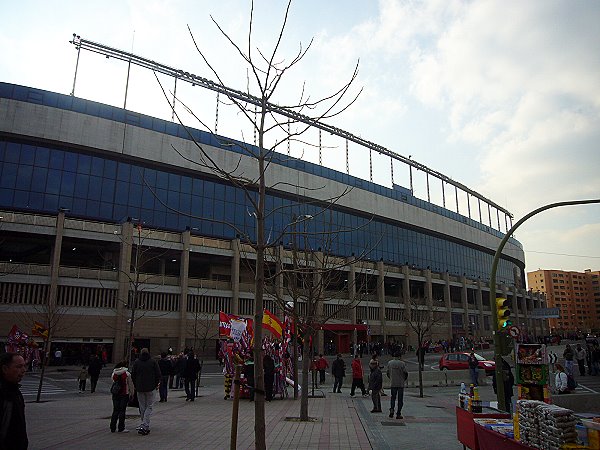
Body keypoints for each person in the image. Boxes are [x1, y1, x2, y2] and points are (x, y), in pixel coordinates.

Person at [0, 352, 28, 450]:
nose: (23, 370)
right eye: (19, 367)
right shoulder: (3, 394)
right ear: (5, 369)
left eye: (24, 366)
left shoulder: (16, 392)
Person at [131, 348, 161, 435]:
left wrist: (136, 385)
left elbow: (133, 375)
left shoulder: (137, 362)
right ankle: (145, 424)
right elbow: (158, 374)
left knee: (142, 406)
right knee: (149, 406)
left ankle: (144, 423)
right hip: (151, 388)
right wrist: (155, 384)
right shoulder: (153, 362)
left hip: (140, 388)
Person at [109, 361, 134, 433]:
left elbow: (113, 382)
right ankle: (121, 427)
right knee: (122, 411)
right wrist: (132, 393)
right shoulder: (127, 374)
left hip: (115, 394)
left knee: (115, 410)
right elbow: (130, 384)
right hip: (124, 394)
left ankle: (112, 427)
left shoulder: (114, 373)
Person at [386, 351, 408, 419]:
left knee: (393, 397)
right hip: (400, 383)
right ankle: (398, 413)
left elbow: (387, 373)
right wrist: (403, 379)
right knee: (400, 399)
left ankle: (392, 409)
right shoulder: (402, 364)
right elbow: (405, 373)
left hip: (393, 383)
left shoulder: (390, 363)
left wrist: (391, 378)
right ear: (399, 357)